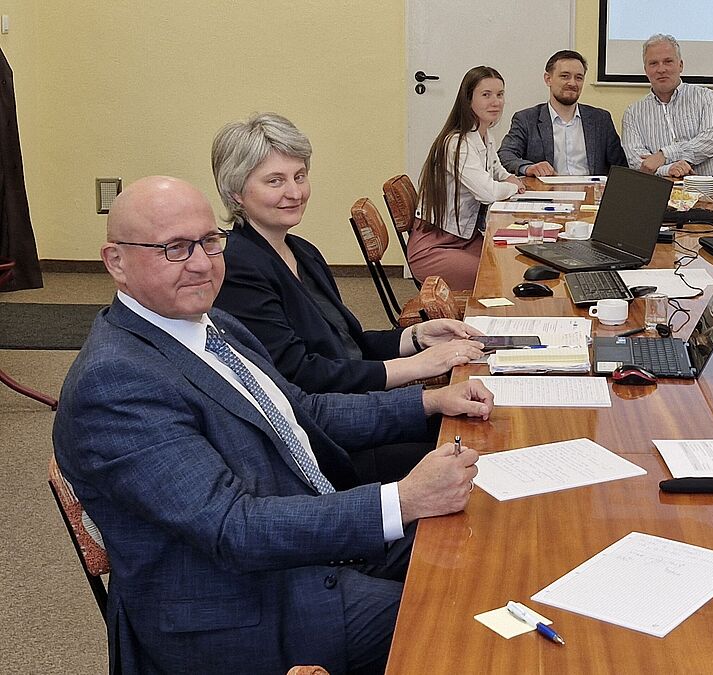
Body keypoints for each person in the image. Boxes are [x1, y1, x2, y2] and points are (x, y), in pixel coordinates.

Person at [53, 176, 493, 674]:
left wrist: (431, 401)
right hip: (237, 608)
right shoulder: (116, 382)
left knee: (490, 541)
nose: (201, 263)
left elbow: (305, 413)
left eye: (209, 241)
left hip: (299, 544)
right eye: (175, 248)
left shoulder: (211, 324)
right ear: (116, 262)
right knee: (466, 619)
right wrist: (403, 499)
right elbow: (231, 526)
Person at [211, 113, 483, 396]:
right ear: (236, 193)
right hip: (326, 415)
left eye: (299, 176)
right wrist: (418, 366)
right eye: (275, 181)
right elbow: (300, 375)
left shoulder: (303, 251)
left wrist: (417, 336)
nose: (295, 192)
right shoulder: (238, 270)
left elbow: (348, 345)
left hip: (352, 396)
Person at [410, 66, 525, 291]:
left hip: (466, 239)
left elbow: (498, 171)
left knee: (513, 263)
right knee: (500, 278)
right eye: (486, 95)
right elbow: (487, 193)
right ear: (468, 99)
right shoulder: (457, 143)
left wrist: (510, 179)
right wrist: (512, 187)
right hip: (436, 247)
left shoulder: (483, 135)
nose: (496, 102)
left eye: (500, 94)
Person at [497, 50, 627, 178]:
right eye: (565, 76)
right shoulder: (526, 119)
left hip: (591, 190)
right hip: (546, 190)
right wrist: (528, 168)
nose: (572, 83)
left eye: (579, 78)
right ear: (548, 79)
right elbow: (505, 155)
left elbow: (621, 167)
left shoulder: (601, 120)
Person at [621, 34, 713, 179]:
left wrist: (664, 155)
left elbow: (709, 143)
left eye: (668, 61)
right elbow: (637, 162)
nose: (661, 69)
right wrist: (668, 169)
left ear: (680, 65)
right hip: (659, 189)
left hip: (708, 186)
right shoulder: (633, 113)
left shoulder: (707, 99)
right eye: (653, 63)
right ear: (646, 70)